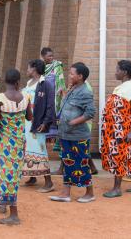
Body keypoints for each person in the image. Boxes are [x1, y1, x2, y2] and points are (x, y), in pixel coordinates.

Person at [0, 69, 31, 225]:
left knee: (4, 175)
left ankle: (14, 214)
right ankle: (3, 204)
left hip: (5, 145)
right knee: (13, 177)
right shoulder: (26, 97)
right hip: (19, 144)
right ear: (18, 83)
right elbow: (30, 117)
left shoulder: (0, 99)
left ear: (4, 82)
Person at [49, 63, 95, 204]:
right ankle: (65, 193)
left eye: (72, 74)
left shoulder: (85, 92)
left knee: (81, 164)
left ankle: (90, 193)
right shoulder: (73, 89)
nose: (69, 76)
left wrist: (74, 122)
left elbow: (90, 112)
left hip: (78, 136)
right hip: (65, 134)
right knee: (68, 163)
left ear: (80, 76)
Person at [100, 60, 131, 198]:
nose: (115, 72)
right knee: (126, 158)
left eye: (117, 69)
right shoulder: (121, 88)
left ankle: (117, 188)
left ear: (124, 72)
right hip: (113, 129)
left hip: (122, 130)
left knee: (118, 156)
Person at [22, 59, 55, 192]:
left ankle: (49, 182)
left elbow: (50, 105)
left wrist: (45, 122)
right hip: (27, 120)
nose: (27, 70)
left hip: (38, 121)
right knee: (28, 148)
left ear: (34, 69)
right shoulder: (30, 83)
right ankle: (32, 176)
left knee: (40, 150)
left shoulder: (45, 84)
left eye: (28, 68)